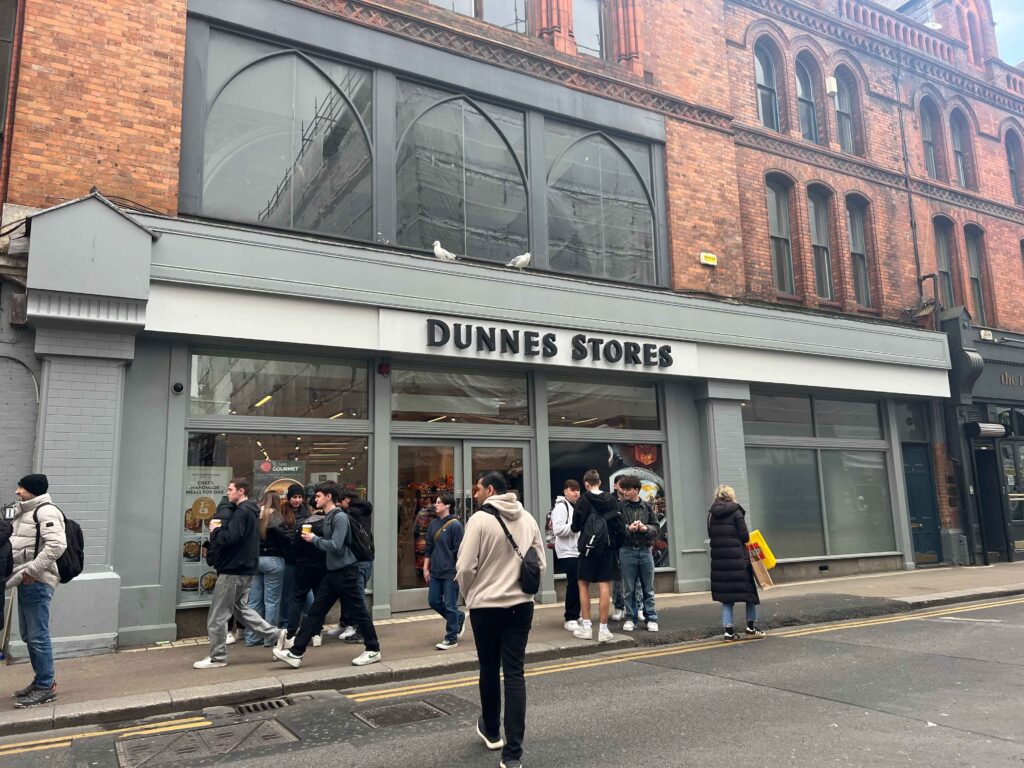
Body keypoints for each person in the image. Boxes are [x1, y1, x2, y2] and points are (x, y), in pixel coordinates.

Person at [457, 472, 544, 768]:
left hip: (486, 607)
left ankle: (492, 731)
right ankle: (513, 755)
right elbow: (539, 563)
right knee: (515, 674)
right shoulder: (528, 519)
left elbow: (465, 568)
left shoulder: (479, 520)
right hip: (521, 606)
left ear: (490, 490)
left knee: (489, 668)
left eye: (478, 488)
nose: (475, 494)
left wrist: (470, 595)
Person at [273, 481, 381, 668]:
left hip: (347, 572)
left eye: (318, 495)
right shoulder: (329, 516)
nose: (315, 499)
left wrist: (314, 539)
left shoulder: (340, 517)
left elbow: (336, 546)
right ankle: (296, 653)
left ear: (329, 497)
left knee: (359, 612)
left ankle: (373, 649)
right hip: (333, 572)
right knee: (315, 612)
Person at [194, 478, 285, 669]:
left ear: (241, 491)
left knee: (217, 616)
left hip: (233, 569)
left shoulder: (242, 512)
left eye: (230, 489)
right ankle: (277, 634)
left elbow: (230, 538)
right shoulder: (251, 511)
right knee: (241, 610)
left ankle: (218, 657)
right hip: (245, 568)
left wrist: (216, 530)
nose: (227, 493)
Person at [5, 474, 65, 707]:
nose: (17, 491)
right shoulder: (25, 511)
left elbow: (57, 545)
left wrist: (32, 570)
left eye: (21, 487)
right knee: (29, 635)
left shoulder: (46, 511)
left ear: (33, 490)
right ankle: (41, 680)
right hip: (25, 579)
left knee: (38, 636)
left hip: (37, 580)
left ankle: (45, 686)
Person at [570, 469, 625, 643]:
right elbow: (620, 527)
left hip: (588, 549)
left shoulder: (582, 500)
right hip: (607, 549)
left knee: (583, 585)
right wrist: (615, 545)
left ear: (586, 484)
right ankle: (603, 630)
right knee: (604, 586)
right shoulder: (611, 499)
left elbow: (575, 527)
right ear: (600, 482)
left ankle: (587, 628)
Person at [707, 484, 765, 641]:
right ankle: (751, 628)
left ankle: (728, 631)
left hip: (719, 561)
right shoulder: (736, 511)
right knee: (750, 594)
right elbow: (745, 537)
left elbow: (712, 535)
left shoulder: (711, 515)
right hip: (738, 560)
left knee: (727, 597)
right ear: (731, 495)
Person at [244, 491, 290, 646]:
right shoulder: (276, 517)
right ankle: (269, 639)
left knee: (254, 601)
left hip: (255, 560)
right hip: (273, 560)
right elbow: (286, 541)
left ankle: (252, 638)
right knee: (271, 602)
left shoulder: (254, 515)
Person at [282, 485, 327, 644]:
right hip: (320, 565)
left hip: (302, 564)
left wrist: (293, 555)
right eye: (295, 497)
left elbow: (296, 546)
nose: (298, 500)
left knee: (297, 598)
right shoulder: (328, 522)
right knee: (318, 599)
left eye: (300, 497)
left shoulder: (305, 522)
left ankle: (291, 634)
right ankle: (316, 633)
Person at [616, 474, 659, 633]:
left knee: (648, 588)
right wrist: (628, 528)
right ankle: (630, 618)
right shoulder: (620, 507)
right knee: (629, 589)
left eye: (628, 489)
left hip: (645, 550)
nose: (624, 492)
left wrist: (645, 528)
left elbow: (656, 528)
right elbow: (615, 528)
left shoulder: (647, 507)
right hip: (626, 550)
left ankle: (651, 618)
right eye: (623, 489)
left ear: (636, 490)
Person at [425, 492, 465, 650]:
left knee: (450, 605)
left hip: (450, 572)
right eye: (435, 502)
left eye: (439, 502)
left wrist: (458, 571)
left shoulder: (455, 525)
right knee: (433, 601)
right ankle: (458, 617)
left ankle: (451, 638)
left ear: (448, 505)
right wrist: (425, 567)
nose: (435, 505)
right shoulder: (433, 524)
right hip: (435, 571)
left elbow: (460, 551)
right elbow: (429, 547)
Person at [333, 494, 374, 644]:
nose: (339, 504)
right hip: (367, 559)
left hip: (359, 560)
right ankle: (350, 624)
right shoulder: (363, 512)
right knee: (356, 595)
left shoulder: (351, 514)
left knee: (358, 598)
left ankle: (361, 631)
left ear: (347, 500)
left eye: (340, 501)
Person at [549, 479, 581, 631]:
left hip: (576, 550)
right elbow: (558, 529)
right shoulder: (561, 507)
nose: (576, 493)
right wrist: (575, 527)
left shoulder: (574, 506)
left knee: (579, 583)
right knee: (574, 583)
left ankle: (575, 614)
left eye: (578, 490)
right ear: (565, 491)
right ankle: (570, 617)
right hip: (567, 551)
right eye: (573, 490)